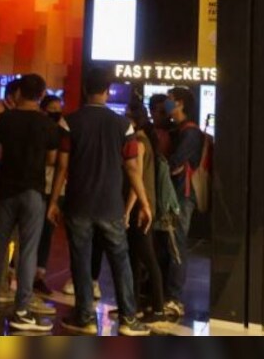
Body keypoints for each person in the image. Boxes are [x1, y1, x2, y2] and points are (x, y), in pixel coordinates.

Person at [48, 65, 153, 336]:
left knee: (81, 260)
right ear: (107, 91)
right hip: (111, 205)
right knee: (120, 261)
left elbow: (62, 166)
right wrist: (144, 203)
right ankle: (129, 318)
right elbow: (133, 169)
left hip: (78, 203)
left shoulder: (69, 122)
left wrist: (53, 201)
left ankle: (84, 316)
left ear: (85, 89)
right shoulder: (124, 126)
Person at [0, 74, 60, 332]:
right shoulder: (47, 124)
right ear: (41, 94)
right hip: (33, 191)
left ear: (18, 92)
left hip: (6, 190)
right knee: (28, 251)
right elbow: (51, 159)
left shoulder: (4, 119)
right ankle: (22, 311)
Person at [161, 86, 202, 319]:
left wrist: (167, 164)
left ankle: (174, 298)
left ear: (180, 104)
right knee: (171, 242)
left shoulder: (189, 133)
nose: (166, 104)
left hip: (182, 195)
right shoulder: (180, 130)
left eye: (170, 100)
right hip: (175, 194)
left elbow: (174, 162)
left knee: (176, 244)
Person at [124, 97, 166, 321]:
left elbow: (136, 178)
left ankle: (158, 309)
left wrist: (127, 210)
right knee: (135, 256)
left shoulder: (139, 143)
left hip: (141, 207)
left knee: (147, 257)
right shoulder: (144, 140)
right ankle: (134, 305)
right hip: (144, 205)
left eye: (127, 116)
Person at [33, 94, 70, 295]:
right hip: (39, 186)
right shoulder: (41, 130)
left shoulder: (62, 131)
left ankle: (39, 274)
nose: (56, 112)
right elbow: (53, 160)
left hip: (56, 188)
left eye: (59, 108)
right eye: (52, 108)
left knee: (47, 234)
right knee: (32, 232)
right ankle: (16, 270)